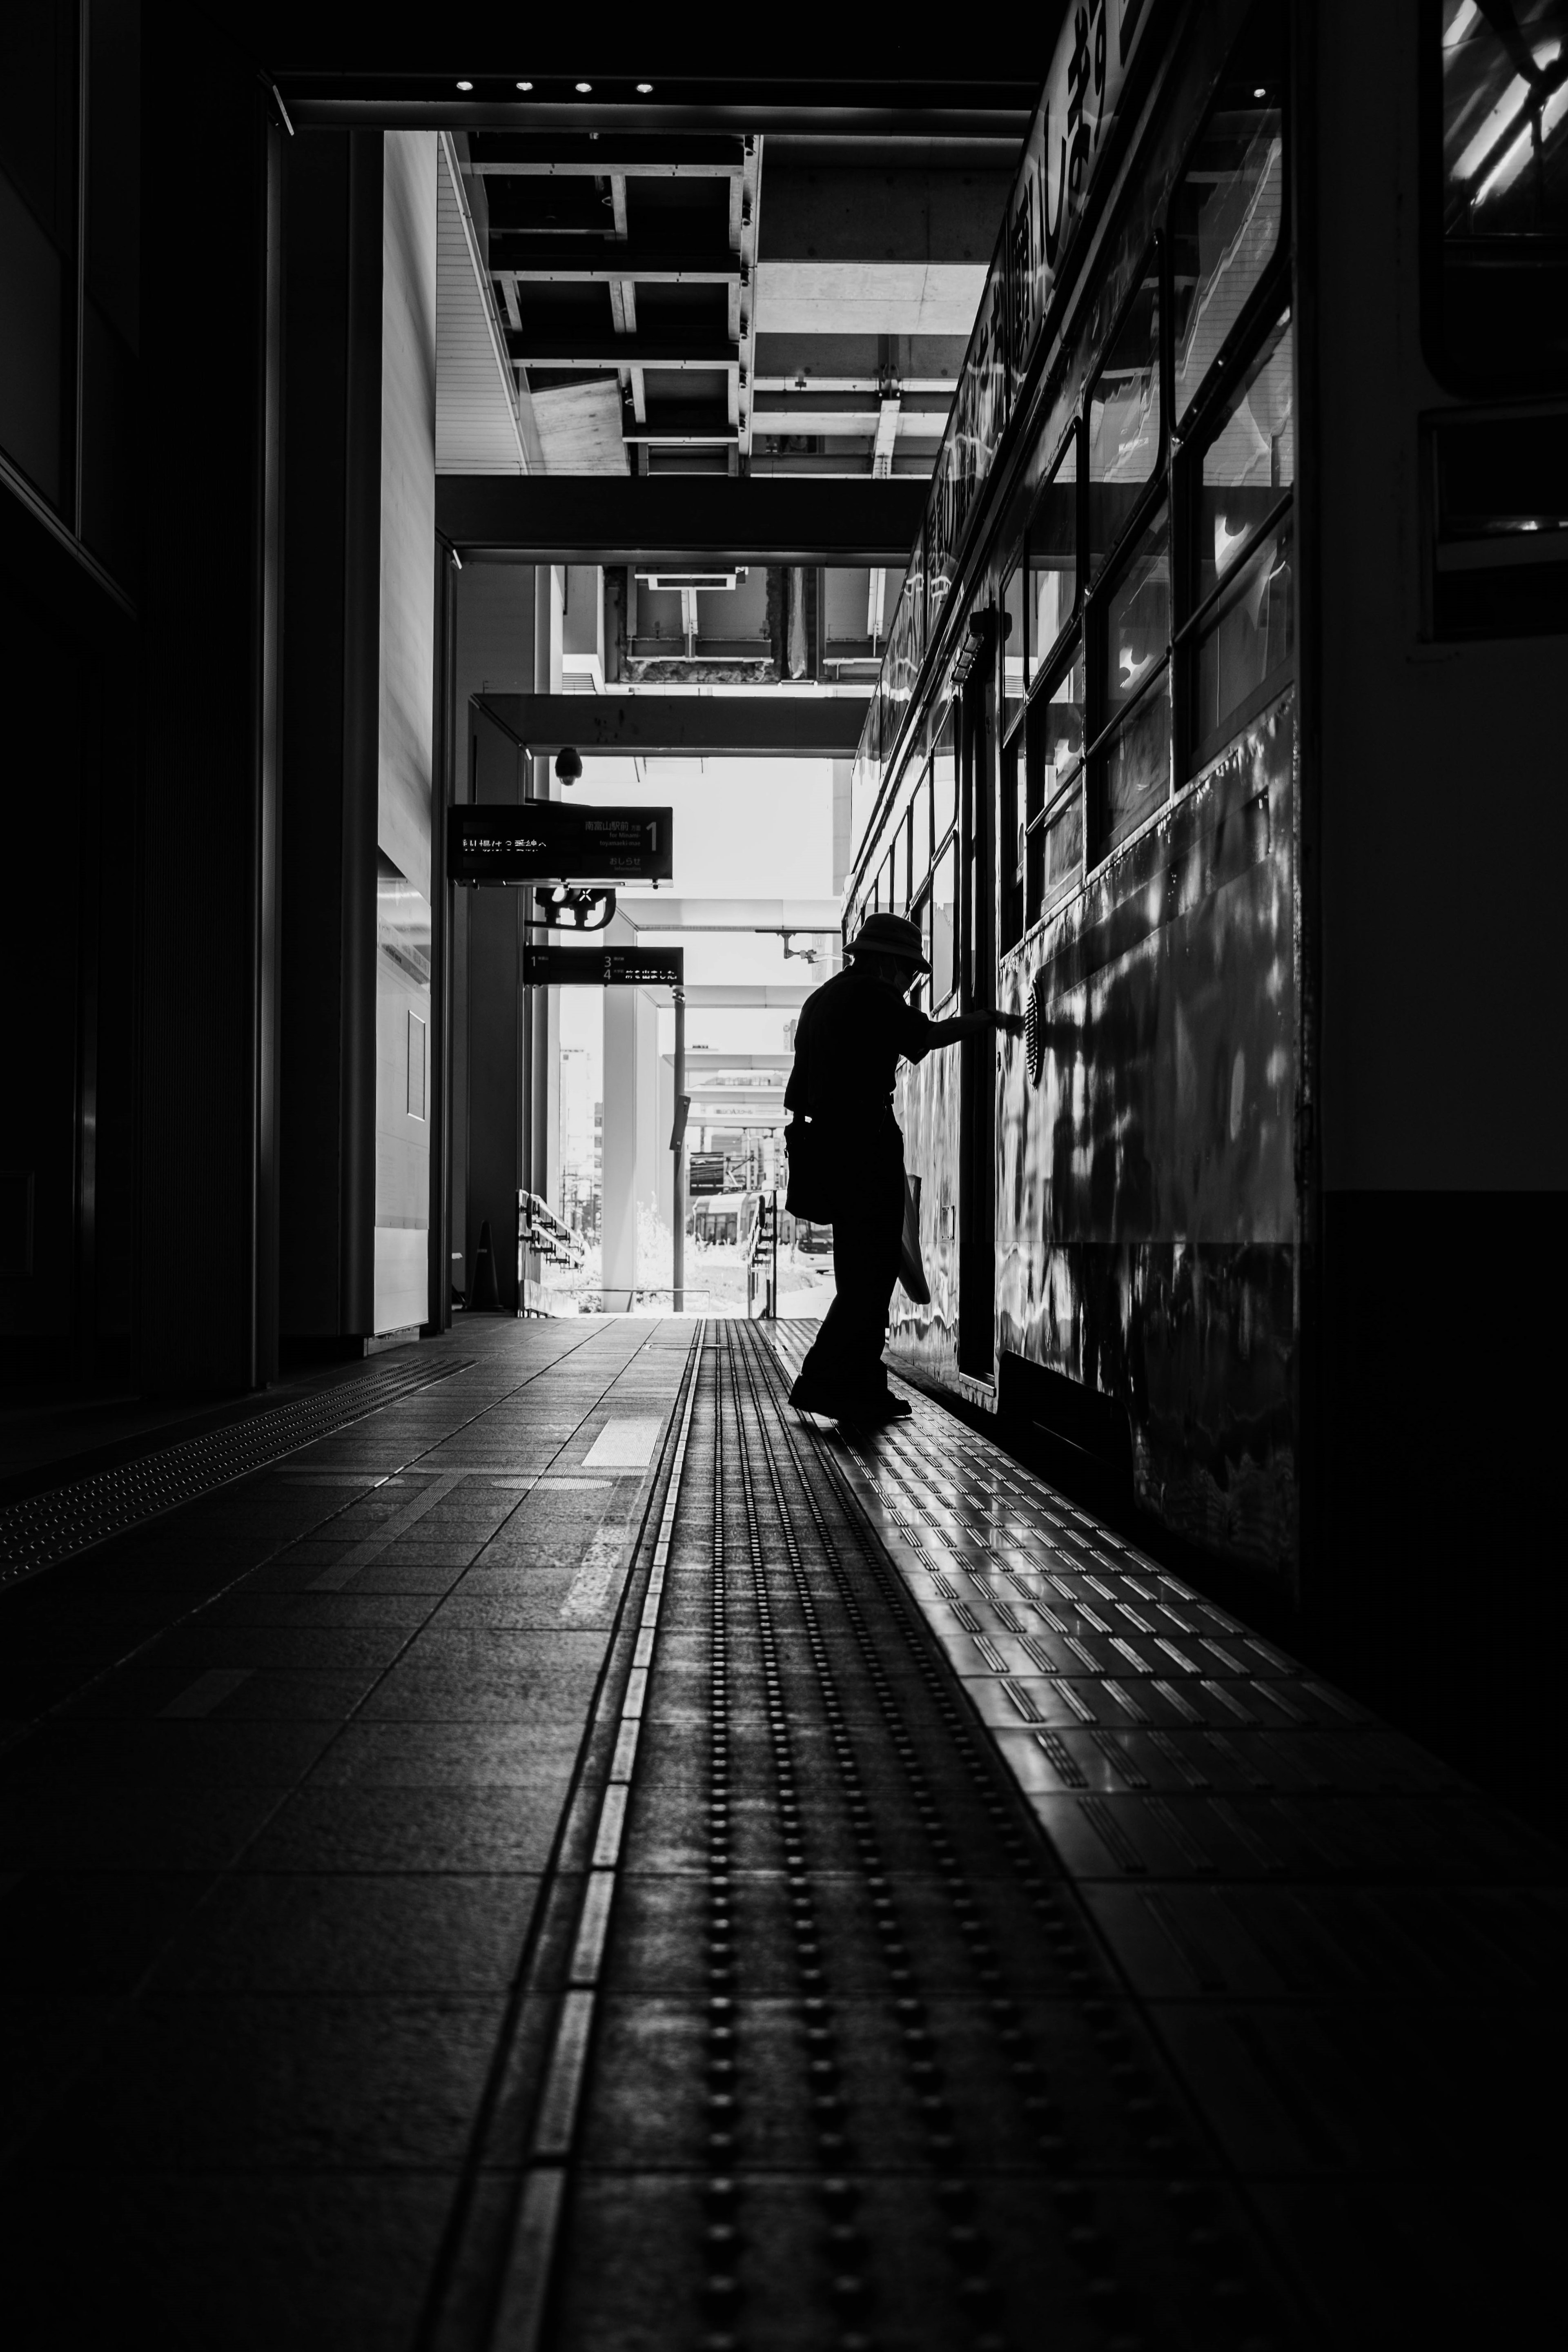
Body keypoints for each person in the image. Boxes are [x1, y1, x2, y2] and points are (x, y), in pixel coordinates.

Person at [784, 911, 1024, 1423]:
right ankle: (824, 1380)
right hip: (863, 1144)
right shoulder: (871, 996)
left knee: (860, 1273)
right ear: (889, 963)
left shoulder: (822, 998)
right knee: (872, 1276)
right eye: (910, 972)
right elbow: (926, 1037)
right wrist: (986, 1020)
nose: (911, 982)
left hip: (826, 1144)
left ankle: (859, 1385)